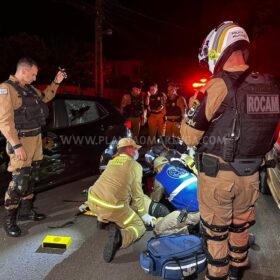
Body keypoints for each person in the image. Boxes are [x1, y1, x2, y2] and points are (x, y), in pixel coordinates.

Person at [180, 21, 280, 280]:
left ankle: (217, 275)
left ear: (218, 50)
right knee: (241, 225)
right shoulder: (270, 84)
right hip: (251, 176)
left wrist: (194, 102)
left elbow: (189, 136)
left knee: (216, 231)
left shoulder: (217, 86)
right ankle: (238, 269)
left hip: (218, 177)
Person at [0, 57, 67, 237]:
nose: (35, 78)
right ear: (23, 71)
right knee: (19, 182)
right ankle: (9, 221)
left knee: (31, 178)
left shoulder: (29, 88)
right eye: (33, 74)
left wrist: (56, 82)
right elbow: (5, 123)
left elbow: (46, 97)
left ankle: (26, 211)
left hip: (35, 140)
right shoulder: (7, 89)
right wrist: (16, 145)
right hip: (20, 142)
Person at [87, 138, 156, 263]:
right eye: (135, 149)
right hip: (112, 207)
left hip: (92, 200)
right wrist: (143, 214)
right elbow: (137, 194)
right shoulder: (135, 166)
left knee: (112, 196)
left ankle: (102, 220)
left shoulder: (112, 162)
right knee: (139, 226)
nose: (137, 152)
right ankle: (120, 238)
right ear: (129, 149)